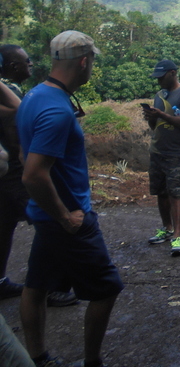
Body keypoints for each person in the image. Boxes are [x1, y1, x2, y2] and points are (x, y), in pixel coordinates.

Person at [18, 30, 123, 367]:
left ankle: (37, 357)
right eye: (91, 61)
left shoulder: (34, 97)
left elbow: (24, 152)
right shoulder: (58, 111)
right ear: (83, 61)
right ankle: (92, 362)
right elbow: (33, 173)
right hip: (66, 217)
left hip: (43, 214)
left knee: (36, 286)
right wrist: (66, 217)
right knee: (106, 289)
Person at [0, 45, 78, 308]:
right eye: (26, 61)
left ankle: (1, 281)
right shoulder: (9, 90)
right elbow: (15, 128)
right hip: (13, 171)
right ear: (13, 67)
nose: (30, 64)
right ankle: (54, 287)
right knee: (52, 220)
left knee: (5, 224)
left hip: (4, 170)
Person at [142, 59, 180, 257]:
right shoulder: (159, 96)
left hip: (176, 152)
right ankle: (166, 228)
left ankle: (177, 235)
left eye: (161, 77)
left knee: (176, 193)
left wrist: (161, 115)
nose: (158, 81)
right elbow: (155, 126)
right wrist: (152, 118)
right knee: (161, 192)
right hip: (158, 151)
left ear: (173, 73)